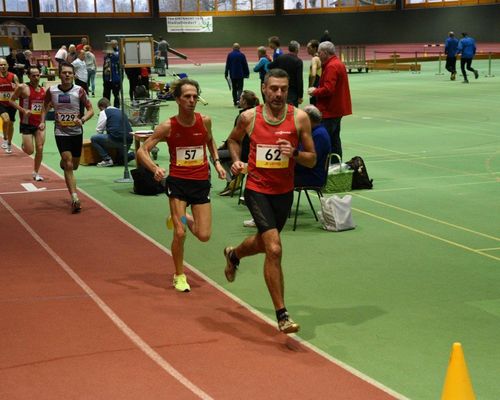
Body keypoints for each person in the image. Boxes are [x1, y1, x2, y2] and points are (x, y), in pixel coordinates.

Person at [224, 68, 316, 333]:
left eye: (283, 89)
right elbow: (233, 140)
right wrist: (237, 160)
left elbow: (312, 159)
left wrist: (295, 153)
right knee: (274, 248)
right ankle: (282, 314)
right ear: (263, 88)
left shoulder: (299, 118)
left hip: (283, 191)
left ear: (289, 90)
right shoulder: (249, 117)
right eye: (273, 88)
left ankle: (234, 254)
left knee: (265, 244)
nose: (278, 94)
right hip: (257, 188)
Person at [137, 78, 226, 292]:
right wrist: (155, 168)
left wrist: (217, 163)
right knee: (179, 233)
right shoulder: (168, 126)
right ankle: (179, 274)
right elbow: (142, 150)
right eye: (187, 96)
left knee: (204, 235)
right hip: (178, 183)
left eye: (195, 96)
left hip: (201, 182)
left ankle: (183, 216)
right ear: (177, 99)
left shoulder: (204, 121)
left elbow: (210, 140)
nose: (192, 100)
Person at [39, 62, 94, 213]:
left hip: (76, 132)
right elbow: (45, 106)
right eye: (65, 73)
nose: (67, 75)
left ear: (74, 75)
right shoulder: (52, 90)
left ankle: (65, 162)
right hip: (61, 132)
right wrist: (42, 122)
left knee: (74, 165)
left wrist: (82, 120)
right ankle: (75, 197)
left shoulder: (79, 91)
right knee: (69, 164)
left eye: (70, 73)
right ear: (59, 74)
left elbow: (90, 109)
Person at [307, 41, 352, 160]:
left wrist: (314, 91)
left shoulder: (331, 66)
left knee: (324, 138)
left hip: (330, 109)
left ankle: (323, 163)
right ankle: (336, 164)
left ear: (325, 53)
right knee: (335, 139)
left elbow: (328, 89)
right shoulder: (338, 63)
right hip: (338, 109)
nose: (318, 55)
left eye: (320, 53)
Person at [218, 90, 259, 196]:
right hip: (255, 153)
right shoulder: (258, 114)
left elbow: (235, 139)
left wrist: (224, 145)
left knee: (217, 155)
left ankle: (231, 180)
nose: (239, 100)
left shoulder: (243, 116)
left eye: (240, 98)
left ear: (244, 101)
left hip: (244, 154)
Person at [9, 66, 46, 180]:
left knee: (39, 148)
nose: (36, 77)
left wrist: (43, 121)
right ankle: (24, 146)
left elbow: (45, 107)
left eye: (38, 75)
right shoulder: (22, 87)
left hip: (39, 124)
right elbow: (11, 100)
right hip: (26, 123)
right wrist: (23, 110)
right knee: (30, 151)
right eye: (33, 75)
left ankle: (36, 173)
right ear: (28, 76)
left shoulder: (44, 90)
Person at [294, 105, 331, 187]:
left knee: (280, 178)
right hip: (306, 172)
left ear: (309, 119)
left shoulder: (319, 135)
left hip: (312, 176)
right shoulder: (314, 131)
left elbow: (310, 162)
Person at [90, 97, 133, 167]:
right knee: (120, 160)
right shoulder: (120, 111)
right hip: (128, 140)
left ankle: (107, 159)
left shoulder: (104, 112)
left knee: (94, 138)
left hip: (116, 139)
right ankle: (134, 154)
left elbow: (99, 130)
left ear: (102, 107)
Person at [268, 41, 303, 107]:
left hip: (280, 88)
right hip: (293, 91)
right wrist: (300, 96)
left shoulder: (281, 58)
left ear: (289, 48)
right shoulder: (298, 61)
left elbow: (269, 66)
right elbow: (299, 79)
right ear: (297, 49)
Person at [0, 57, 19, 154]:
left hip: (11, 103)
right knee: (6, 119)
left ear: (7, 65)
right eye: (1, 65)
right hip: (1, 103)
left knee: (11, 123)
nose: (2, 66)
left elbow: (19, 88)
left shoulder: (13, 76)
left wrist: (16, 89)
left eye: (4, 64)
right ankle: (5, 137)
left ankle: (9, 144)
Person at [224, 43, 250, 107]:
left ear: (233, 48)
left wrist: (226, 73)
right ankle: (239, 101)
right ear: (239, 48)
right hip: (240, 75)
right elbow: (245, 65)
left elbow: (227, 65)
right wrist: (247, 73)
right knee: (240, 88)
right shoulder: (242, 55)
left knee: (234, 89)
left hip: (233, 75)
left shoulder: (230, 55)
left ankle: (235, 102)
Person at [103, 40, 121, 108]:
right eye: (111, 44)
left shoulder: (118, 52)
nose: (111, 45)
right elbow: (104, 66)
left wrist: (111, 53)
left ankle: (116, 109)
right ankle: (105, 110)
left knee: (116, 95)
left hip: (115, 79)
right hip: (107, 79)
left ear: (116, 44)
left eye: (113, 44)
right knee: (106, 96)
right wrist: (104, 79)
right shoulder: (107, 55)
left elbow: (116, 58)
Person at [306, 40, 321, 105]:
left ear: (315, 48)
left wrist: (310, 86)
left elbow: (313, 74)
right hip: (320, 85)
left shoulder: (314, 59)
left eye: (309, 48)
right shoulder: (321, 57)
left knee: (314, 107)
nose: (307, 50)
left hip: (315, 84)